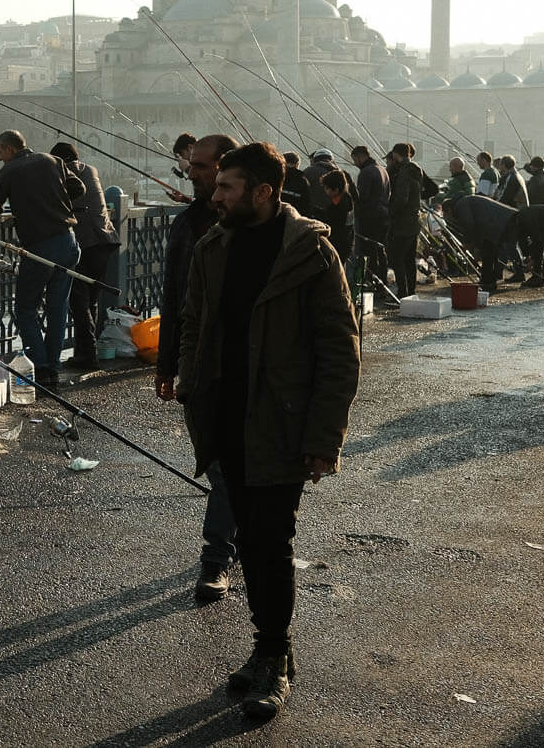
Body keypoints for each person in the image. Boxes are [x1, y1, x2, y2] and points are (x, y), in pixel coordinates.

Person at [177, 141, 360, 722]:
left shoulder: (310, 253)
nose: (216, 194)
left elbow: (340, 350)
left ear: (263, 191)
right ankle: (267, 647)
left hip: (281, 421)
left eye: (227, 187)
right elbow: (193, 323)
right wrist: (189, 383)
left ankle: (274, 655)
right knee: (251, 542)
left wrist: (323, 438)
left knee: (269, 541)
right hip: (224, 415)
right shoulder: (214, 244)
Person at [154, 132, 239, 604]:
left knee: (232, 467)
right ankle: (231, 543)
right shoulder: (187, 224)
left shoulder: (268, 228)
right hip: (201, 366)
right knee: (220, 464)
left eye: (203, 166)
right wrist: (167, 364)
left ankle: (215, 560)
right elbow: (175, 299)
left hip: (250, 368)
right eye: (191, 165)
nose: (192, 172)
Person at [0, 130, 84, 392]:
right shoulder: (53, 160)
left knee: (26, 309)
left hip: (40, 247)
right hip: (68, 240)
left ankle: (39, 369)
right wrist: (53, 202)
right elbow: (78, 188)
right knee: (57, 307)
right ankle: (53, 368)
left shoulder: (10, 170)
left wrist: (22, 208)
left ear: (9, 149)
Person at [50, 142, 119, 369]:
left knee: (79, 300)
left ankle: (88, 355)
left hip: (85, 242)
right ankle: (88, 350)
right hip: (105, 239)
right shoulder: (90, 170)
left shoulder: (63, 173)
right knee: (91, 299)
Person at [349, 146, 390, 295]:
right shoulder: (382, 170)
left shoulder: (366, 173)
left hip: (369, 217)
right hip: (384, 214)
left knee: (369, 251)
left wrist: (352, 191)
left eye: (354, 159)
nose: (355, 163)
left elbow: (362, 197)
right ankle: (382, 282)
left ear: (360, 157)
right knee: (381, 250)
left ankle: (373, 283)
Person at [385, 143, 423, 298]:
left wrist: (391, 211)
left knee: (397, 257)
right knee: (409, 258)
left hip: (403, 221)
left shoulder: (404, 172)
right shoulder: (416, 169)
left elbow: (402, 198)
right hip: (414, 219)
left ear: (395, 154)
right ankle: (411, 291)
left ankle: (402, 292)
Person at [320, 168, 356, 265]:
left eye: (327, 188)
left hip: (339, 244)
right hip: (345, 243)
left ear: (336, 190)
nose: (325, 191)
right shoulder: (345, 199)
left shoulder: (340, 206)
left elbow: (336, 226)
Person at [301, 149, 337, 219]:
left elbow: (300, 188)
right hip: (332, 213)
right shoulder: (339, 173)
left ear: (315, 160)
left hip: (312, 212)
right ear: (331, 159)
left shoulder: (309, 171)